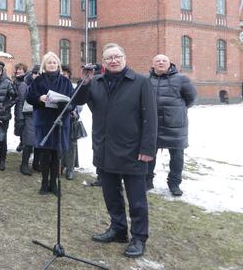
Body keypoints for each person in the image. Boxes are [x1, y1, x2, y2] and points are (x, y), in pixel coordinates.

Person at [74, 43, 157, 258]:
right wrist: (84, 81)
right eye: (108, 57)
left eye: (117, 56)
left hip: (133, 150)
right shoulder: (96, 82)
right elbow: (77, 101)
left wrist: (148, 148)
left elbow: (150, 119)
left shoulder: (140, 82)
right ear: (103, 62)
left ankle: (139, 237)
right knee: (111, 195)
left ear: (124, 58)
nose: (113, 60)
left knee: (137, 199)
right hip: (104, 148)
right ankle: (118, 229)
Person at [148, 54, 197, 196]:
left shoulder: (182, 79)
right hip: (153, 124)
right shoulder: (146, 80)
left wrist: (176, 111)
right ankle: (147, 180)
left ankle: (174, 184)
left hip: (175, 126)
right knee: (149, 154)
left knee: (177, 157)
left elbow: (192, 98)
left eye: (164, 61)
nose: (161, 63)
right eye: (157, 61)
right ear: (153, 64)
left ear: (170, 64)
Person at [26, 52, 74, 196]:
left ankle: (54, 184)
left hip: (60, 122)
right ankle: (44, 183)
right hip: (44, 121)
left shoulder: (65, 82)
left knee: (57, 155)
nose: (52, 64)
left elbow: (72, 102)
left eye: (54, 62)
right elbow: (29, 98)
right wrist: (39, 98)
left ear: (58, 65)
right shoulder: (38, 80)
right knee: (45, 155)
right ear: (44, 65)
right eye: (49, 62)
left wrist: (64, 104)